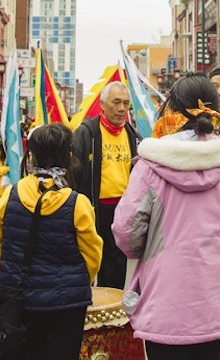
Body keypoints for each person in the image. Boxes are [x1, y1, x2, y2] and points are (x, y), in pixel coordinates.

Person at [112, 75, 220, 360]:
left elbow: (126, 231)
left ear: (172, 108)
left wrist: (152, 250)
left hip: (164, 295)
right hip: (216, 294)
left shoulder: (151, 164)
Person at [0, 123, 101, 360]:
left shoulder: (11, 194)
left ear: (31, 156)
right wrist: (80, 281)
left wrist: (12, 273)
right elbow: (92, 255)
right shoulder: (77, 202)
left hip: (19, 301)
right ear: (68, 157)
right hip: (67, 304)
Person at [69, 81, 140, 287]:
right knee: (88, 258)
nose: (121, 108)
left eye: (126, 103)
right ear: (102, 104)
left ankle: (113, 309)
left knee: (117, 261)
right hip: (92, 208)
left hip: (122, 209)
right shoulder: (87, 133)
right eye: (116, 102)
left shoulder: (131, 135)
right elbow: (73, 172)